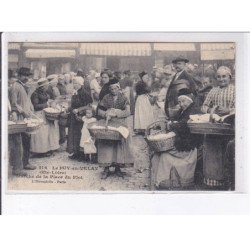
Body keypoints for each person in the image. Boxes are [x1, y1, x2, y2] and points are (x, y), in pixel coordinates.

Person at [151, 89, 202, 190]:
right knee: (156, 155)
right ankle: (160, 182)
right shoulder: (184, 111)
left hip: (188, 147)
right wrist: (171, 123)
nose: (181, 104)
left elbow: (185, 125)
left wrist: (172, 124)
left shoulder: (194, 111)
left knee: (163, 156)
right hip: (181, 142)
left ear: (190, 100)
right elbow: (178, 121)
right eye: (179, 102)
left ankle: (167, 181)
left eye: (183, 101)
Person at [201, 66, 235, 189]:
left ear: (229, 77)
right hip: (213, 128)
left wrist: (228, 110)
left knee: (226, 154)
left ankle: (228, 183)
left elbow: (243, 106)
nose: (221, 79)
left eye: (224, 76)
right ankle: (213, 182)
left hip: (229, 127)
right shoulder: (213, 90)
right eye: (219, 77)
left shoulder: (235, 90)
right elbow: (203, 107)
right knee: (213, 155)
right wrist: (212, 109)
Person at [97, 78, 134, 179]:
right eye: (111, 89)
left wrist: (116, 113)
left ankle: (118, 167)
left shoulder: (124, 97)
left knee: (119, 145)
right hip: (108, 124)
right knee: (107, 145)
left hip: (120, 124)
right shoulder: (106, 97)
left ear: (118, 88)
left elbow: (127, 112)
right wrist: (106, 113)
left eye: (115, 89)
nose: (113, 91)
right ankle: (106, 168)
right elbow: (99, 111)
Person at [9, 67, 36, 172]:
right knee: (19, 142)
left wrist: (30, 109)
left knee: (26, 140)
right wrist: (24, 112)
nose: (27, 78)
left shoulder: (23, 86)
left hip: (25, 117)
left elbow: (26, 101)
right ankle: (18, 166)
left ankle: (25, 163)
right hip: (19, 117)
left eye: (28, 76)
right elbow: (14, 104)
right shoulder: (16, 86)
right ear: (19, 75)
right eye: (25, 76)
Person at [30, 78, 60, 156]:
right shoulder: (35, 94)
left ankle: (48, 149)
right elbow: (35, 106)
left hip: (45, 113)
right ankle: (40, 151)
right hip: (39, 114)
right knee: (41, 133)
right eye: (46, 85)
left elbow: (46, 100)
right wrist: (46, 104)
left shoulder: (44, 92)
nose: (47, 87)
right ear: (42, 86)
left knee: (48, 132)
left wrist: (50, 102)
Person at [67, 76, 93, 160]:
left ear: (80, 84)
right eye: (74, 83)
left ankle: (82, 154)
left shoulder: (84, 93)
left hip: (81, 117)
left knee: (81, 135)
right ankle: (75, 152)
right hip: (74, 116)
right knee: (74, 134)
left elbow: (89, 105)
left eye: (76, 83)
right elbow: (72, 104)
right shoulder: (75, 92)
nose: (74, 85)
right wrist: (70, 109)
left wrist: (79, 110)